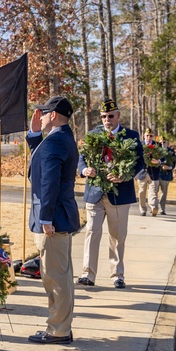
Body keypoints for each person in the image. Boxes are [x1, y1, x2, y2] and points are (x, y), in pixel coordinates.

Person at [27, 96, 81, 344]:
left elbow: (50, 183)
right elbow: (42, 165)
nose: (41, 116)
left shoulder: (56, 141)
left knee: (55, 277)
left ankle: (58, 330)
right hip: (57, 216)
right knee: (59, 275)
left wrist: (45, 218)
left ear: (54, 114)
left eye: (44, 112)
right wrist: (35, 135)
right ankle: (60, 327)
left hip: (53, 219)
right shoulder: (60, 138)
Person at [76, 99, 143, 289]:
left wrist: (125, 175)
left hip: (119, 195)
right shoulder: (93, 135)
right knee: (91, 232)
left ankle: (117, 275)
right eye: (104, 116)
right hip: (95, 193)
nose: (107, 120)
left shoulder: (130, 136)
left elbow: (140, 162)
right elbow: (81, 158)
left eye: (110, 116)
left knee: (117, 236)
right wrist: (84, 170)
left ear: (118, 116)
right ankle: (87, 274)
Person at [135, 129, 160, 216]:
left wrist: (159, 161)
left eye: (151, 136)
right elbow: (135, 158)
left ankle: (153, 207)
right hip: (142, 173)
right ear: (144, 136)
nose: (149, 138)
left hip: (154, 172)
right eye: (147, 135)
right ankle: (142, 209)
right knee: (142, 192)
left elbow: (164, 157)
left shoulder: (157, 145)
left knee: (153, 191)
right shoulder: (139, 145)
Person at [157, 136, 176, 214]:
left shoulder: (171, 151)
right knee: (154, 192)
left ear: (167, 143)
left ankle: (162, 209)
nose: (162, 144)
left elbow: (174, 163)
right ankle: (154, 208)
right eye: (161, 142)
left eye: (164, 142)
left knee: (163, 193)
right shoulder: (156, 151)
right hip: (157, 174)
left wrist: (169, 167)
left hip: (166, 175)